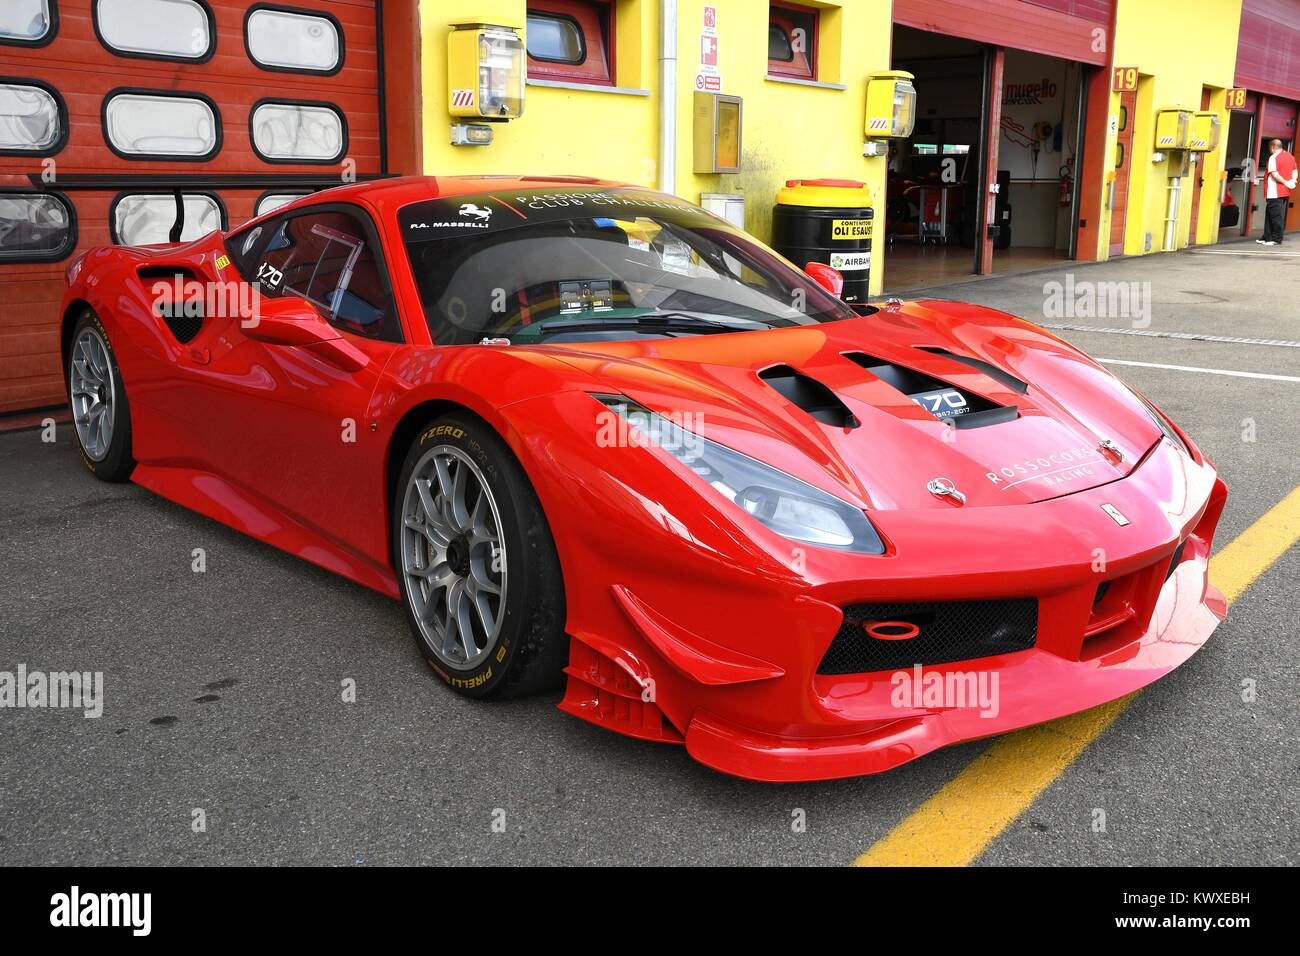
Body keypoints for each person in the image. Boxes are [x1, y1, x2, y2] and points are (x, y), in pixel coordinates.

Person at [1257, 138, 1297, 246]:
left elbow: (1274, 174)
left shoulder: (1273, 157)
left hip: (1274, 191)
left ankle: (1276, 239)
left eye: (1270, 148)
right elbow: (1295, 170)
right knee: (1270, 214)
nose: (1270, 150)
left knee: (1276, 216)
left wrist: (1285, 182)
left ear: (1273, 146)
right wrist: (1292, 181)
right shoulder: (1290, 156)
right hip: (1284, 191)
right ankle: (1266, 236)